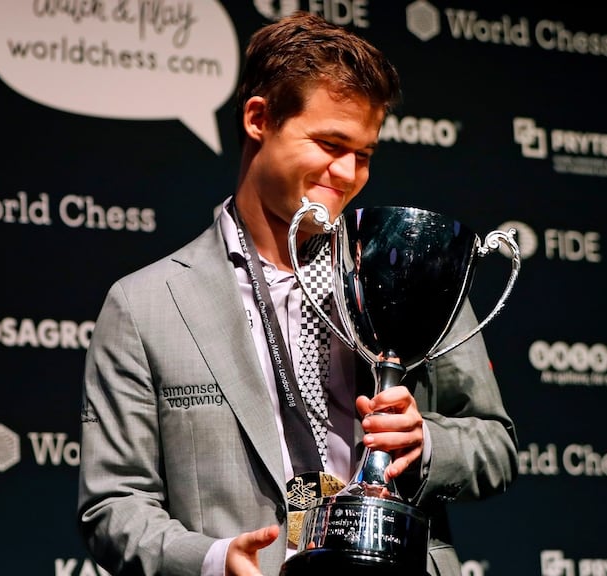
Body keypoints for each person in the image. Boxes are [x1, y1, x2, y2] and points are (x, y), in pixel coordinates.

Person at [77, 11, 518, 576]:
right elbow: (113, 505)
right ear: (259, 119)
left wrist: (422, 443)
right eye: (330, 143)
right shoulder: (146, 305)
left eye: (364, 154)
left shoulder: (404, 265)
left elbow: (494, 445)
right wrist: (212, 560)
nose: (348, 173)